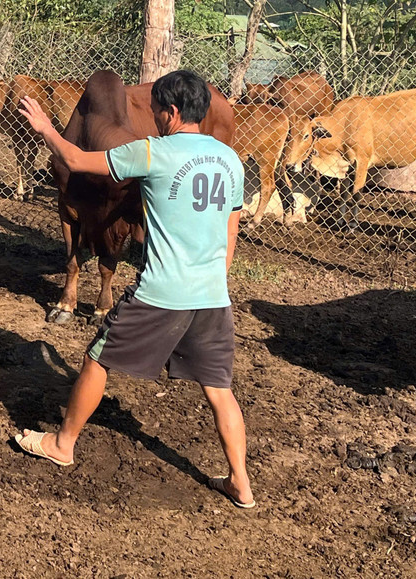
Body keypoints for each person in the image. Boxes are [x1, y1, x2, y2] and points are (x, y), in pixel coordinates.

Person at [14, 70, 255, 509]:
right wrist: (213, 281)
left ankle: (63, 444)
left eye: (160, 109)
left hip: (161, 293)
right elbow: (231, 231)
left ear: (172, 111)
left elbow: (76, 160)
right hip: (213, 295)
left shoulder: (153, 153)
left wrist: (46, 128)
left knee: (96, 359)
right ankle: (240, 481)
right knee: (219, 389)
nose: (157, 117)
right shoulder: (230, 161)